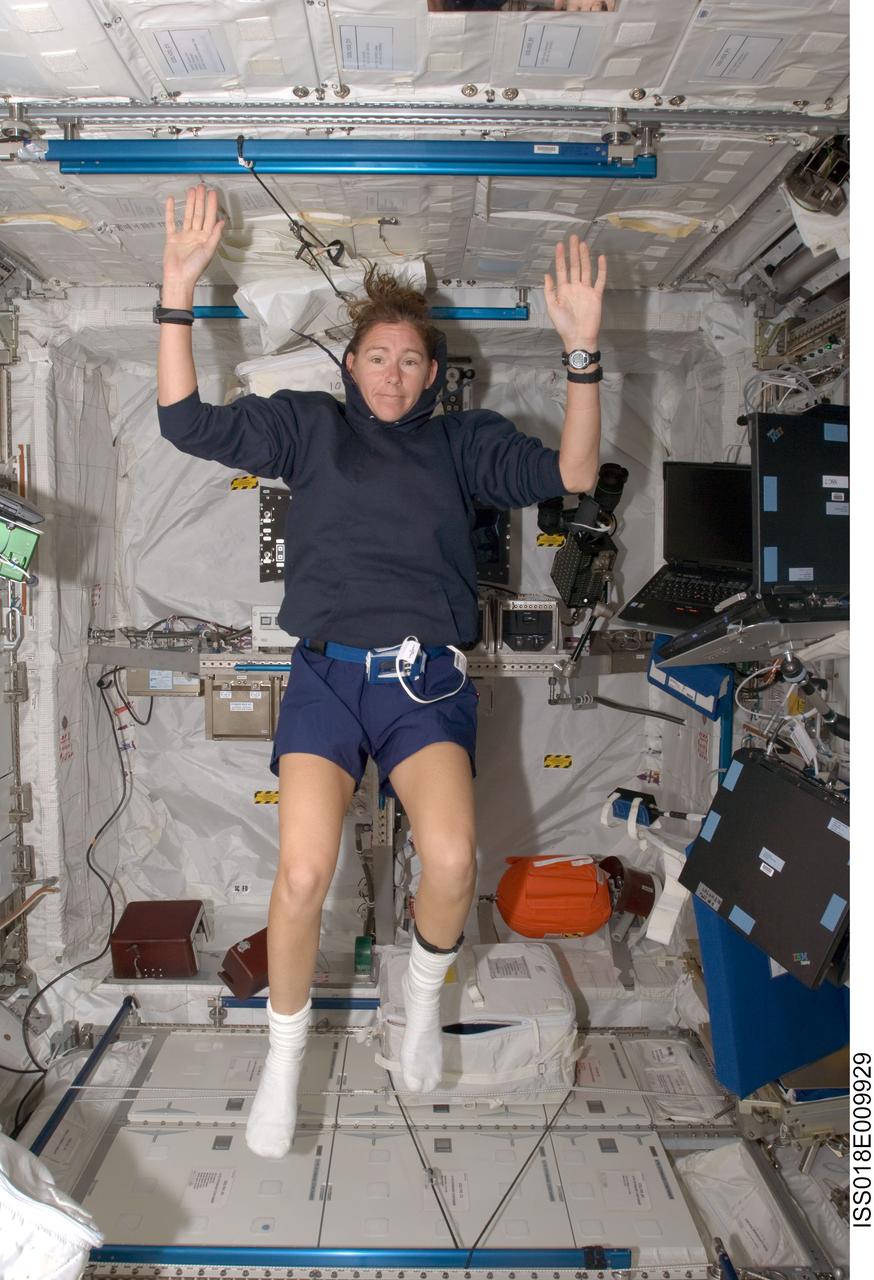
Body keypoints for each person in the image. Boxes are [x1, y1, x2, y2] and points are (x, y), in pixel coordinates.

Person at [157, 184, 606, 1158]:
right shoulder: (311, 428)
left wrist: (581, 355)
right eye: (376, 357)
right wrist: (178, 288)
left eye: (410, 359)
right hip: (325, 679)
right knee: (305, 868)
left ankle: (419, 1009)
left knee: (449, 859)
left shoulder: (461, 445)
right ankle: (283, 1062)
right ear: (349, 364)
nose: (392, 373)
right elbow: (185, 423)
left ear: (433, 373)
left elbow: (571, 475)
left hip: (422, 685)